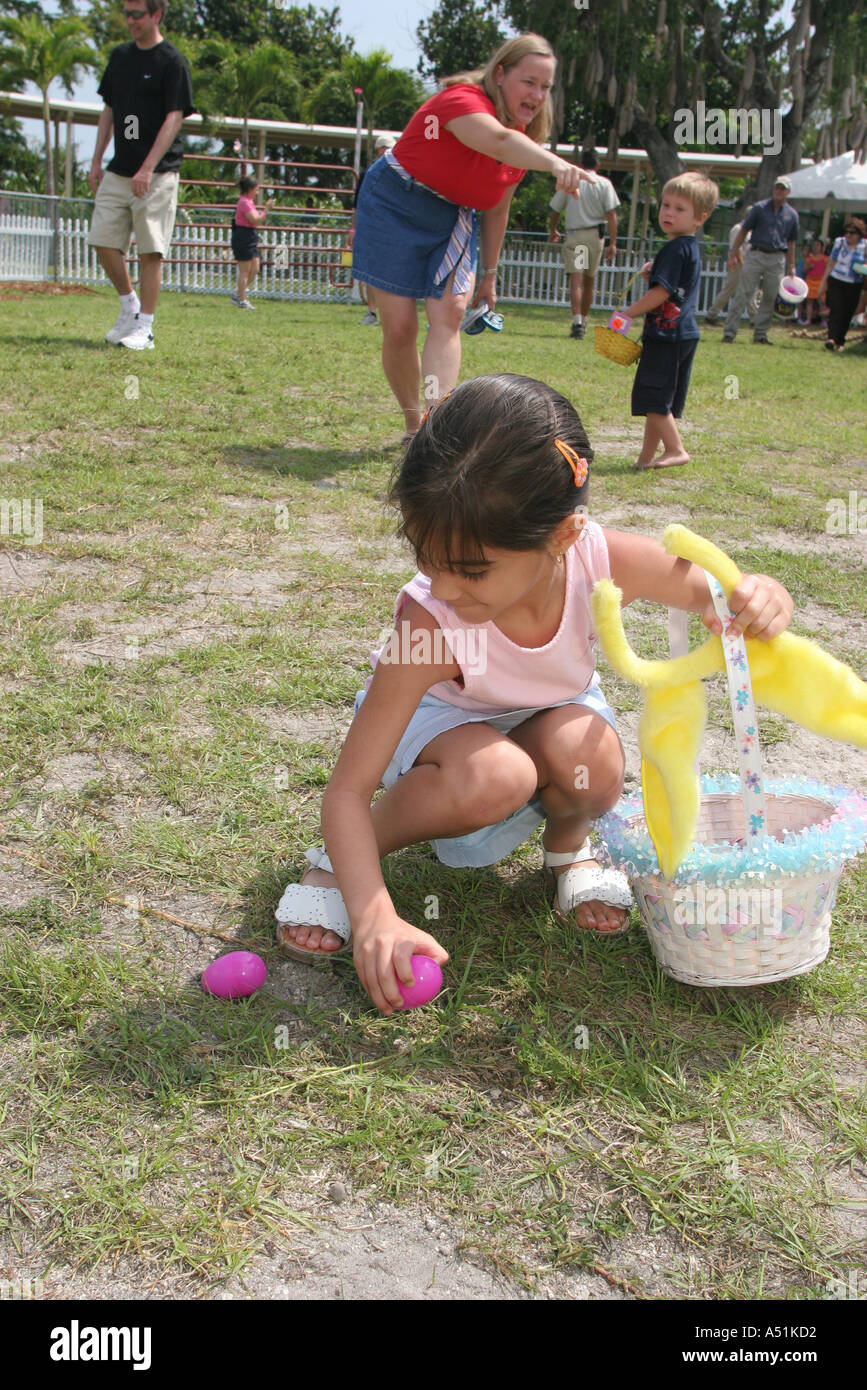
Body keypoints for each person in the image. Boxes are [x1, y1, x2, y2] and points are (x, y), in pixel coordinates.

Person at [273, 374, 795, 1015]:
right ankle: (337, 863)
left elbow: (712, 591)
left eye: (468, 569)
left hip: (550, 719)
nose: (440, 587)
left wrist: (759, 593)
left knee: (596, 758)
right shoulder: (431, 623)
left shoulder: (596, 557)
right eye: (424, 557)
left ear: (564, 538)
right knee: (495, 775)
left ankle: (567, 855)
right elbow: (348, 787)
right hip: (446, 731)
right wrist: (375, 913)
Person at [351, 34, 598, 440]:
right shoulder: (461, 101)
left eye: (546, 87)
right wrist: (556, 164)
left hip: (453, 218)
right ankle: (413, 420)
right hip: (395, 201)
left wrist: (489, 274)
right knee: (398, 328)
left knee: (448, 314)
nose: (538, 95)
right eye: (529, 81)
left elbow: (497, 208)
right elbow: (498, 140)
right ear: (500, 74)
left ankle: (432, 429)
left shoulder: (524, 140)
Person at [88, 1, 194, 351]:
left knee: (151, 250)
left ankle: (145, 328)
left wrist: (148, 167)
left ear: (156, 14)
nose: (130, 21)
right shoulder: (120, 57)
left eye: (137, 14)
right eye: (127, 14)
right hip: (119, 168)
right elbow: (110, 110)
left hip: (158, 171)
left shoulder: (172, 61)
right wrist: (95, 160)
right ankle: (129, 306)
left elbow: (174, 118)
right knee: (103, 240)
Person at [621, 171, 719, 470]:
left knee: (654, 395)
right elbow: (673, 286)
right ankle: (645, 458)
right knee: (659, 400)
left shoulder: (675, 249)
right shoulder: (686, 248)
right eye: (666, 205)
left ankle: (676, 449)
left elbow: (662, 293)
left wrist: (628, 313)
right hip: (682, 334)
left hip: (668, 335)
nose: (669, 213)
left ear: (699, 218)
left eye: (680, 209)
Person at [548, 148, 620, 338]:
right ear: (597, 164)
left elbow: (555, 209)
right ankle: (584, 320)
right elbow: (612, 214)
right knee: (589, 281)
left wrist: (552, 229)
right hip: (595, 236)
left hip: (577, 236)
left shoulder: (574, 181)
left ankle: (577, 321)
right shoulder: (604, 184)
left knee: (577, 280)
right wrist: (613, 242)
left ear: (581, 163)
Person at [722, 177, 799, 345]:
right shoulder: (759, 208)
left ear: (788, 192)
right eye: (776, 187)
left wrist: (791, 266)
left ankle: (760, 335)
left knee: (770, 296)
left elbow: (791, 242)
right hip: (756, 253)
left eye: (782, 188)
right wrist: (734, 253)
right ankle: (729, 333)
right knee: (743, 292)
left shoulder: (792, 215)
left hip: (777, 256)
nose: (778, 191)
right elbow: (743, 231)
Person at [346, 134, 396, 326]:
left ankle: (389, 314)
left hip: (394, 228)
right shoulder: (369, 174)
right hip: (373, 227)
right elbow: (358, 204)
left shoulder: (401, 171)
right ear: (378, 150)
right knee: (373, 272)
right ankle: (372, 312)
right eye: (386, 147)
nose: (389, 151)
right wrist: (353, 229)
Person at [817, 218, 867, 352]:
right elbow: (831, 263)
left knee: (847, 312)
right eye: (847, 232)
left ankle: (840, 341)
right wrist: (823, 283)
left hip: (854, 283)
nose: (849, 235)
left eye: (852, 233)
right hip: (836, 279)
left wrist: (863, 267)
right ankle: (831, 338)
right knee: (836, 309)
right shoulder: (839, 243)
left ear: (859, 234)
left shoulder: (865, 246)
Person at [704, 210, 760, 326]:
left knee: (750, 290)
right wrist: (743, 263)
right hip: (738, 263)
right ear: (746, 216)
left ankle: (755, 318)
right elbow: (737, 247)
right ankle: (711, 314)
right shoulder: (738, 229)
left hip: (747, 263)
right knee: (730, 289)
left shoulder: (751, 231)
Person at [230, 175, 274, 310]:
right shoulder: (244, 202)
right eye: (256, 189)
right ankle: (241, 300)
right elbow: (255, 220)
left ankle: (239, 294)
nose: (257, 192)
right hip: (243, 237)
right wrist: (266, 209)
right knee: (244, 271)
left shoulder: (248, 202)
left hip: (250, 237)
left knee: (255, 269)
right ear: (249, 189)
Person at [801, 237, 829, 327]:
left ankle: (824, 320)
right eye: (814, 245)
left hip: (820, 281)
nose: (816, 247)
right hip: (810, 280)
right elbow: (804, 271)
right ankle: (808, 320)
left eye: (818, 245)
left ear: (821, 247)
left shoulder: (826, 258)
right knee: (809, 301)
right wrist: (809, 267)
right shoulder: (809, 258)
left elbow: (828, 270)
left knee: (822, 302)